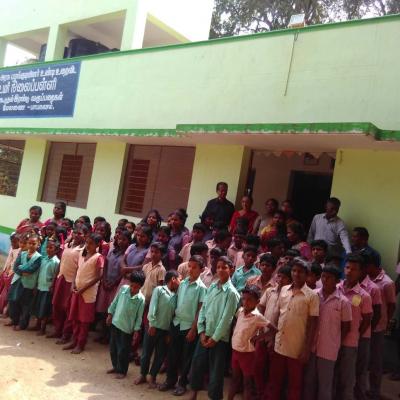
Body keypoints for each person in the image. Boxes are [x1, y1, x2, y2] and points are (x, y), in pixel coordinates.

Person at [265, 257, 319, 400]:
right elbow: (277, 315)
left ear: (307, 274)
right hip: (279, 344)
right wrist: (272, 337)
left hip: (297, 347)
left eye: (300, 272)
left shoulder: (312, 296)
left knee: (294, 384)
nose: (296, 274)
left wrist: (306, 350)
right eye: (294, 270)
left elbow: (312, 324)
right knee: (274, 380)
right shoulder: (284, 290)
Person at [189, 256, 240, 400]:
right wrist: (201, 331)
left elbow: (226, 319)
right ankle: (194, 391)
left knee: (216, 371)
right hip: (205, 334)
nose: (220, 270)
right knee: (198, 363)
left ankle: (214, 397)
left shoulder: (232, 293)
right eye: (218, 267)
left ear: (231, 269)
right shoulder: (212, 286)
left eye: (224, 267)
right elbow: (204, 308)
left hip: (219, 339)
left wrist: (215, 338)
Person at [159, 255, 207, 396]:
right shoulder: (183, 283)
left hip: (189, 327)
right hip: (176, 323)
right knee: (172, 354)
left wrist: (193, 329)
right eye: (189, 266)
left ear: (201, 270)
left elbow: (200, 310)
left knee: (186, 357)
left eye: (194, 267)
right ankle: (170, 380)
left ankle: (182, 383)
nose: (191, 269)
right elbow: (175, 303)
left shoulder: (202, 288)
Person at [303, 264, 352, 400]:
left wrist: (336, 342)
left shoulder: (343, 302)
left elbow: (346, 326)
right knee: (309, 382)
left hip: (328, 350)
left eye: (329, 277)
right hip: (312, 347)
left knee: (325, 385)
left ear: (337, 281)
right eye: (323, 276)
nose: (325, 280)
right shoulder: (313, 295)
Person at [335, 254, 372, 400]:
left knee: (347, 379)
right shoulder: (336, 288)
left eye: (354, 269)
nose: (350, 271)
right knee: (333, 376)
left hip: (349, 343)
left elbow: (367, 320)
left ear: (361, 272)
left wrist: (356, 335)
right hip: (331, 340)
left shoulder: (364, 296)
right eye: (347, 267)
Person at [136, 270, 180, 388]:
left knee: (160, 355)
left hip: (165, 330)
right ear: (173, 279)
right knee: (146, 353)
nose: (180, 282)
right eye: (179, 279)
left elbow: (174, 315)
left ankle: (152, 376)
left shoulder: (176, 296)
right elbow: (153, 306)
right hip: (154, 327)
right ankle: (142, 374)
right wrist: (152, 324)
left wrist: (170, 332)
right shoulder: (159, 290)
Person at [228, 285, 272, 400]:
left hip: (247, 354)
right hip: (235, 351)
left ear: (257, 302)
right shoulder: (241, 311)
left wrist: (259, 337)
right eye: (244, 299)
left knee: (247, 383)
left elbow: (274, 330)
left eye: (249, 300)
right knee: (234, 379)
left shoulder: (257, 317)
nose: (245, 302)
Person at [255, 264, 292, 398]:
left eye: (285, 278)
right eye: (279, 276)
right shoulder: (270, 291)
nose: (281, 280)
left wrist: (272, 336)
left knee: (274, 372)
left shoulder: (289, 295)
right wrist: (260, 329)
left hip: (277, 338)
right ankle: (260, 393)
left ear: (290, 280)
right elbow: (260, 308)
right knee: (258, 367)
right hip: (263, 334)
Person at [64, 233, 104, 354]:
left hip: (88, 293)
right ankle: (74, 340)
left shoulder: (98, 257)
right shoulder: (83, 254)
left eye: (91, 244)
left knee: (84, 320)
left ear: (97, 245)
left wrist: (83, 288)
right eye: (87, 243)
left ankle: (81, 344)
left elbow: (99, 276)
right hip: (77, 290)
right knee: (75, 317)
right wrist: (73, 285)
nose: (88, 246)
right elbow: (77, 269)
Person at [365, 250, 396, 398]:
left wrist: (385, 322)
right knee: (363, 359)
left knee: (376, 361)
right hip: (362, 326)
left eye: (366, 265)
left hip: (378, 327)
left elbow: (391, 305)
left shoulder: (387, 283)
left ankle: (375, 391)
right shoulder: (363, 279)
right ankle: (361, 387)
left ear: (373, 265)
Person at [48, 224, 87, 342]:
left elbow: (81, 267)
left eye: (80, 233)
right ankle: (57, 330)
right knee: (56, 305)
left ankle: (66, 334)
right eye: (74, 232)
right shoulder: (67, 245)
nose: (76, 235)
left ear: (85, 236)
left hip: (71, 281)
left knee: (67, 308)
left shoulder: (84, 249)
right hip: (61, 278)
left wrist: (75, 282)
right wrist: (55, 277)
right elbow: (61, 262)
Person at [106, 271, 145, 379]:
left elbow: (139, 317)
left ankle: (122, 370)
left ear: (141, 286)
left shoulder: (141, 299)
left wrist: (137, 330)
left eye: (136, 287)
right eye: (132, 286)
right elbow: (115, 302)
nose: (133, 289)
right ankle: (115, 366)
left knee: (123, 350)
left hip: (127, 328)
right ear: (129, 283)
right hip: (116, 323)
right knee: (113, 348)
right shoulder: (123, 289)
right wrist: (110, 314)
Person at [95, 230, 131, 343]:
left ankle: (109, 337)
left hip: (116, 286)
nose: (121, 241)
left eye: (124, 239)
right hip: (106, 284)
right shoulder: (112, 251)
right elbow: (105, 266)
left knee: (112, 310)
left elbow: (124, 271)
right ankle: (102, 333)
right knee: (103, 310)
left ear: (129, 241)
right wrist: (104, 279)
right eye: (119, 239)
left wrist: (115, 282)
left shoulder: (127, 255)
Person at [355, 251, 382, 400]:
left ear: (364, 269)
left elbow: (376, 314)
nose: (350, 271)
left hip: (363, 335)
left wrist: (364, 332)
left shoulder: (373, 288)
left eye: (355, 268)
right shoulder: (344, 284)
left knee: (361, 369)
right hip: (348, 333)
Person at [7, 233, 42, 330]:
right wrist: (22, 271)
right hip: (17, 280)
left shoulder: (38, 257)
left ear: (38, 244)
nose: (31, 245)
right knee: (13, 300)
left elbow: (32, 269)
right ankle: (14, 320)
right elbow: (15, 267)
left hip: (28, 284)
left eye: (34, 243)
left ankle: (22, 324)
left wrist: (21, 267)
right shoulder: (22, 253)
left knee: (25, 304)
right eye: (29, 243)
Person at [32, 239, 60, 335]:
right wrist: (36, 285)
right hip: (40, 286)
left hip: (47, 288)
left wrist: (52, 286)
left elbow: (55, 276)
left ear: (56, 250)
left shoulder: (56, 262)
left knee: (45, 309)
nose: (48, 249)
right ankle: (37, 324)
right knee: (38, 306)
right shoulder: (43, 259)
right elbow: (39, 273)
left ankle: (42, 328)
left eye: (51, 248)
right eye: (47, 247)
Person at [0, 233, 20, 315]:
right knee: (3, 292)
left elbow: (15, 264)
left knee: (8, 293)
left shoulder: (20, 251)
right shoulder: (12, 248)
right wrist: (5, 270)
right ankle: (2, 308)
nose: (12, 244)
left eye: (15, 242)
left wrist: (10, 273)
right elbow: (9, 260)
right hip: (7, 273)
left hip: (13, 275)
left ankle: (6, 309)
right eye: (11, 242)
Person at [141, 242, 166, 306]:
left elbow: (160, 288)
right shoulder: (145, 266)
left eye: (156, 252)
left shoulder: (161, 269)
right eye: (152, 252)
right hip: (141, 297)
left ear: (162, 255)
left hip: (151, 301)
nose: (153, 254)